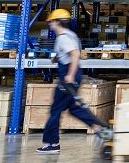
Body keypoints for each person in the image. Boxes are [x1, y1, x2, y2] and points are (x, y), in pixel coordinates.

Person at [36, 9, 106, 155]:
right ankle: (100, 129)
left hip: (68, 77)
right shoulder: (70, 35)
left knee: (55, 110)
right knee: (74, 108)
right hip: (72, 75)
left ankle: (51, 143)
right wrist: (57, 58)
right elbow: (70, 53)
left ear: (57, 22)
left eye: (51, 22)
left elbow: (75, 55)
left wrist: (70, 76)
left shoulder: (63, 38)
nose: (50, 24)